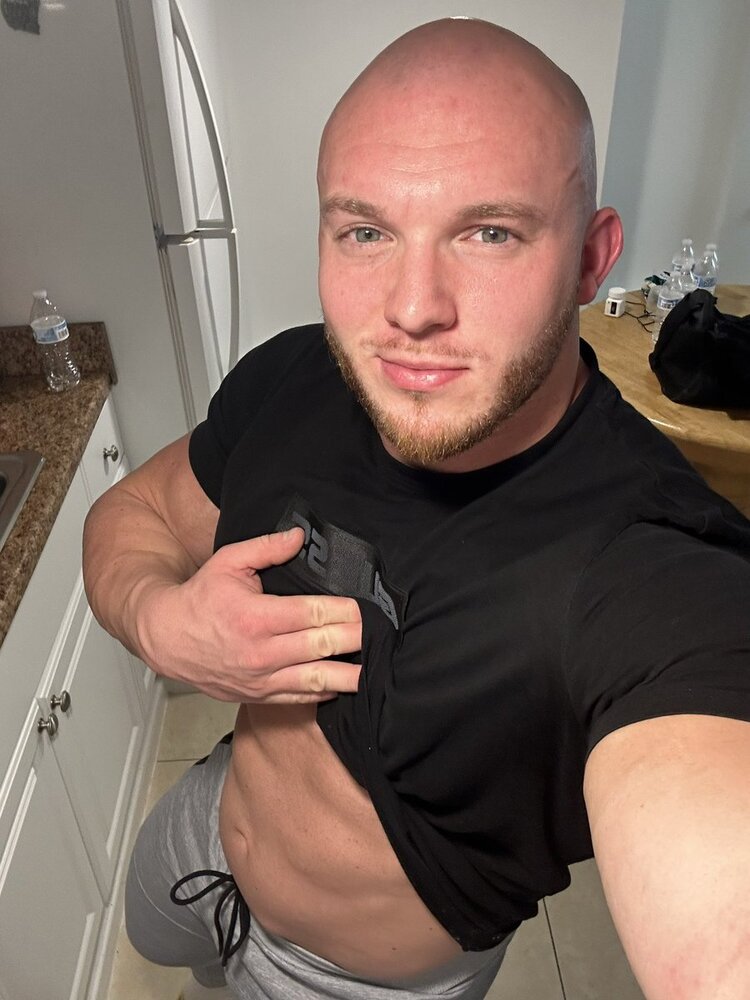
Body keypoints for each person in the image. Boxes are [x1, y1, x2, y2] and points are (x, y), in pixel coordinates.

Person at [83, 17, 750, 1000]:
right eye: (366, 232)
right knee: (153, 938)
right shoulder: (298, 376)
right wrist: (158, 620)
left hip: (350, 979)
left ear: (590, 257)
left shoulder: (649, 567)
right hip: (210, 822)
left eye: (489, 233)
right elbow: (133, 513)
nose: (411, 308)